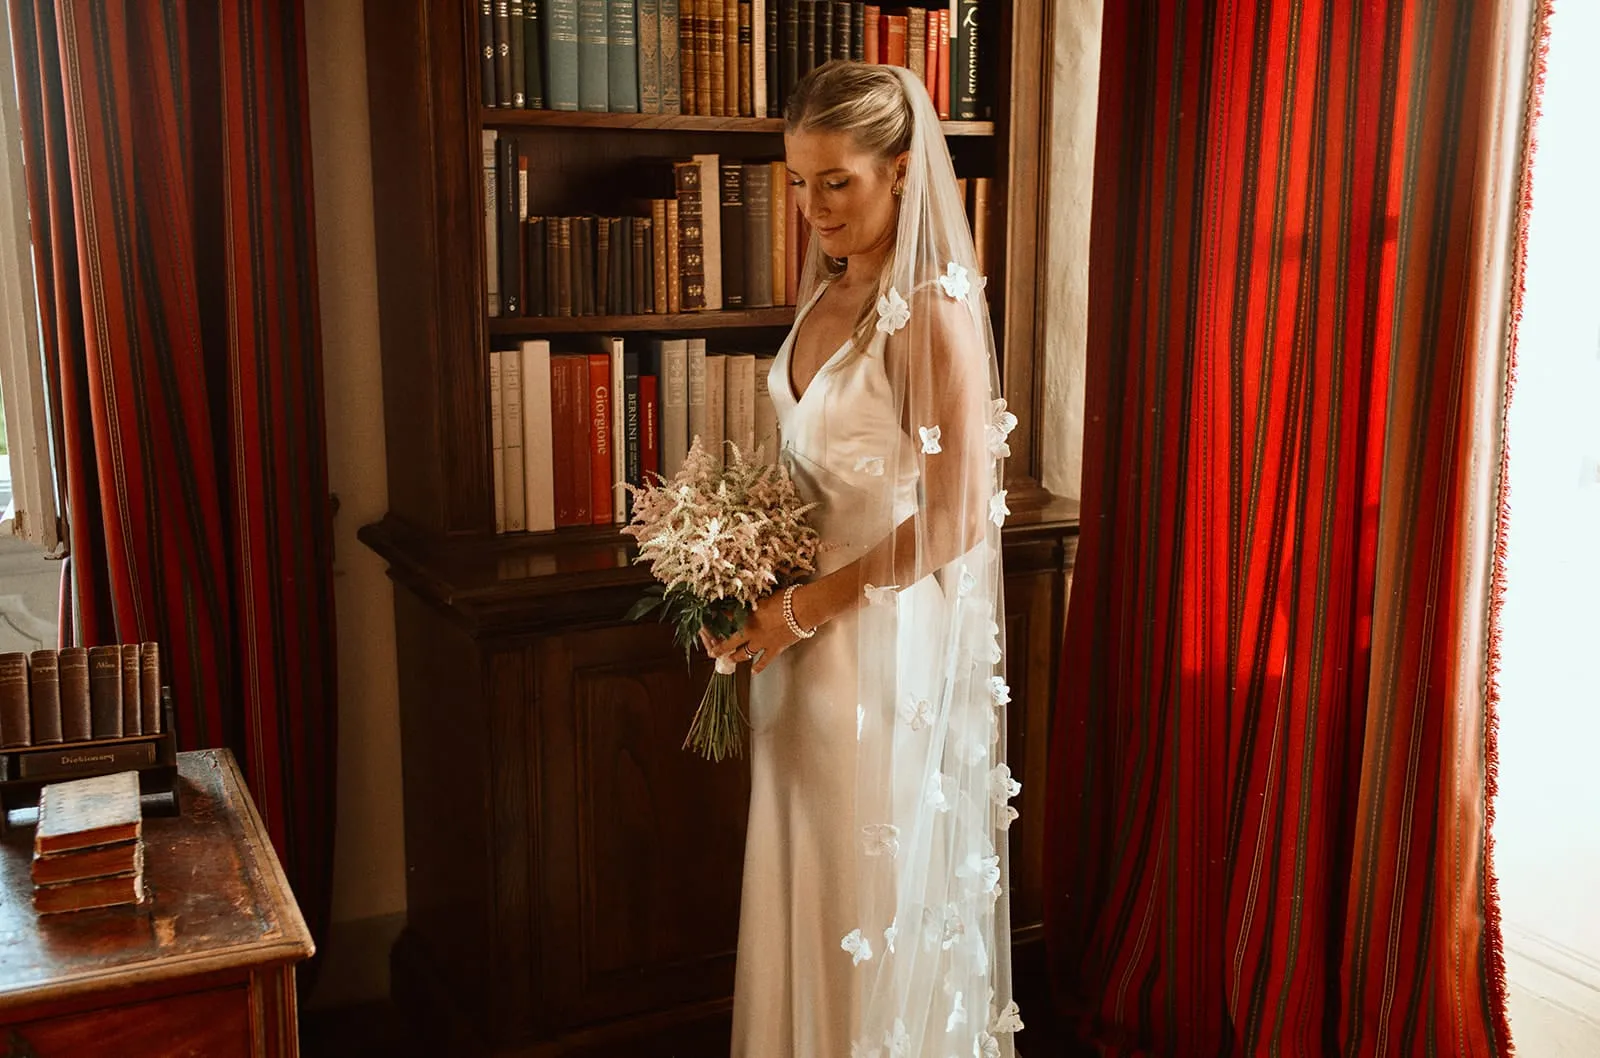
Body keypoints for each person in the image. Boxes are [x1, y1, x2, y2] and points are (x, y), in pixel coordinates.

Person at [705, 60, 1023, 1058]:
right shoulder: (829, 293)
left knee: (865, 884)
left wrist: (803, 610)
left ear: (898, 170)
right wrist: (733, 553)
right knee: (807, 871)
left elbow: (957, 514)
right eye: (798, 182)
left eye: (835, 180)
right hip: (795, 640)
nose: (812, 207)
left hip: (874, 649)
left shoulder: (926, 312)